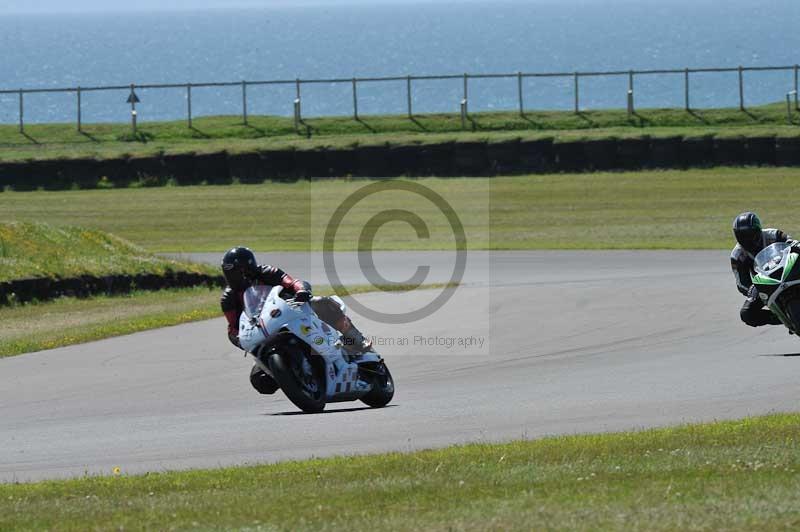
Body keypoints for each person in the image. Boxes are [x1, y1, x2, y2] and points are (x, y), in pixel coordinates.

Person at [220, 247, 371, 394]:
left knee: (323, 303)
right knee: (260, 380)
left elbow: (291, 282)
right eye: (228, 273)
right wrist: (239, 339)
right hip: (264, 329)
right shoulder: (228, 298)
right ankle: (296, 377)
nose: (232, 277)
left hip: (291, 310)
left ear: (248, 268)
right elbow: (233, 327)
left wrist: (301, 291)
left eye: (235, 272)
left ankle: (355, 338)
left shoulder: (266, 272)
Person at [730, 212, 798, 327]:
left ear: (757, 231)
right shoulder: (737, 255)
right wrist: (751, 288)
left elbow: (791, 243)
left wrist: (797, 245)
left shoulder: (774, 234)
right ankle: (784, 317)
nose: (746, 239)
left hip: (788, 270)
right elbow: (741, 282)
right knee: (747, 314)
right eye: (742, 236)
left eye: (749, 234)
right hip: (766, 284)